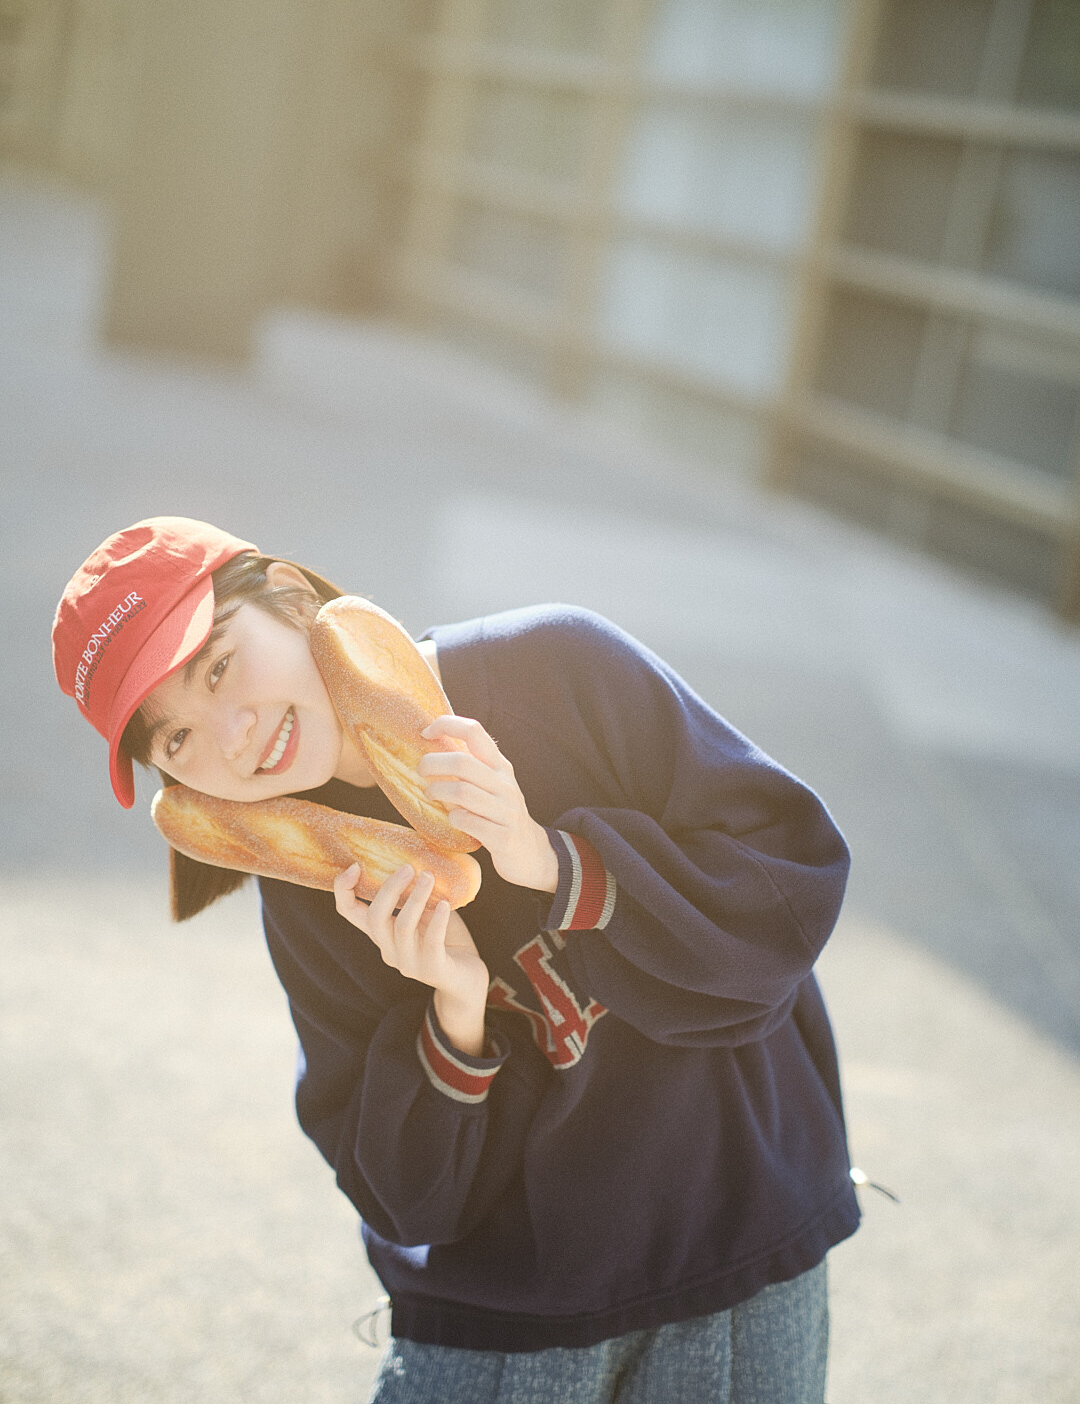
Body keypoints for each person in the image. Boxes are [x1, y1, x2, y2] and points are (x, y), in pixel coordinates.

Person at [53, 516, 860, 1404]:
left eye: (218, 665)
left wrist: (546, 859)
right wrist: (453, 1013)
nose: (233, 735)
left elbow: (785, 906)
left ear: (289, 599)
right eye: (176, 742)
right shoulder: (310, 876)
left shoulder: (552, 668)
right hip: (504, 1308)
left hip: (732, 1241)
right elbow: (407, 1202)